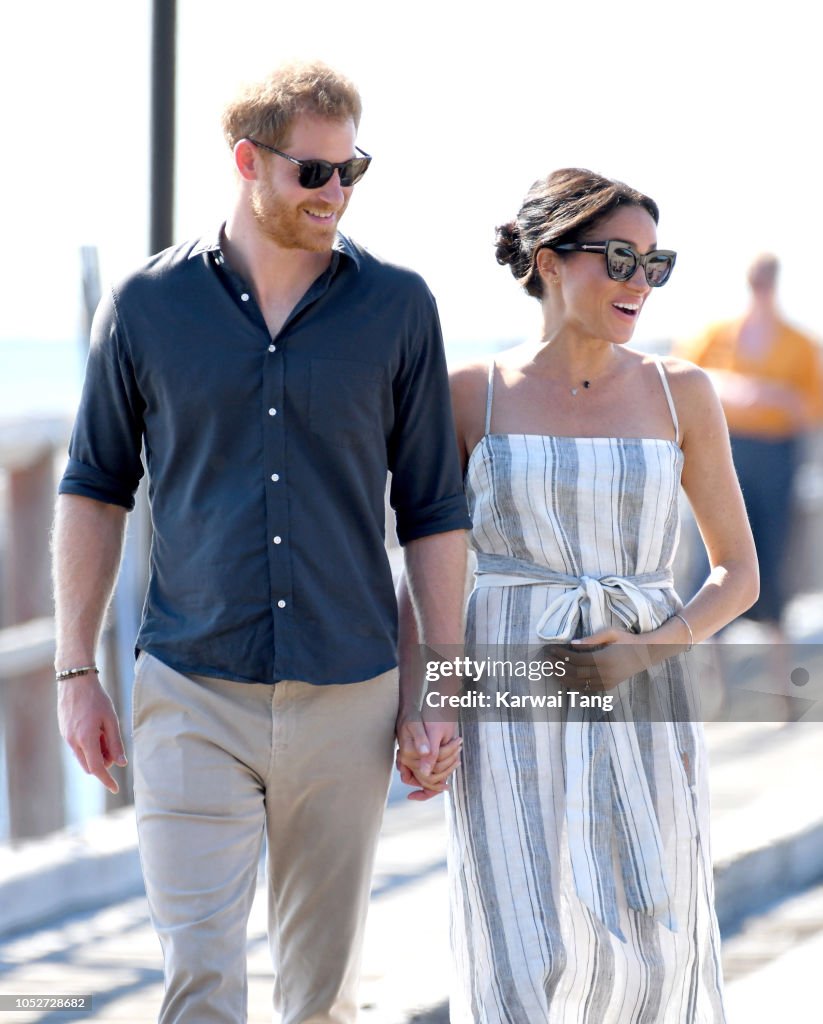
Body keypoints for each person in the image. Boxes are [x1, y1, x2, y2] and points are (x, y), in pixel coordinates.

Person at [52, 60, 469, 1024]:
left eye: (350, 170)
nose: (336, 194)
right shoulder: (147, 307)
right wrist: (76, 672)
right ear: (247, 160)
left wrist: (435, 689)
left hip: (348, 693)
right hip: (192, 688)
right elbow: (92, 485)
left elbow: (434, 510)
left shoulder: (398, 308)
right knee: (199, 984)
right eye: (312, 172)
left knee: (320, 999)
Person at [398, 168, 758, 1022]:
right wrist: (425, 706)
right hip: (507, 692)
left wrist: (647, 648)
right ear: (549, 259)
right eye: (619, 260)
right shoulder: (467, 394)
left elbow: (736, 574)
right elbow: (426, 567)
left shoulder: (683, 393)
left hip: (644, 690)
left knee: (651, 933)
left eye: (652, 264)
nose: (640, 283)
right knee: (518, 938)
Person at [677, 253, 823, 635]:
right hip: (725, 447)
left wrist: (774, 397)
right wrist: (733, 388)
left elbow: (812, 407)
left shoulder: (800, 343)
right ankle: (712, 681)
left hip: (776, 454)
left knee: (770, 556)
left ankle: (779, 682)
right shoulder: (715, 334)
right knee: (711, 556)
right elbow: (679, 376)